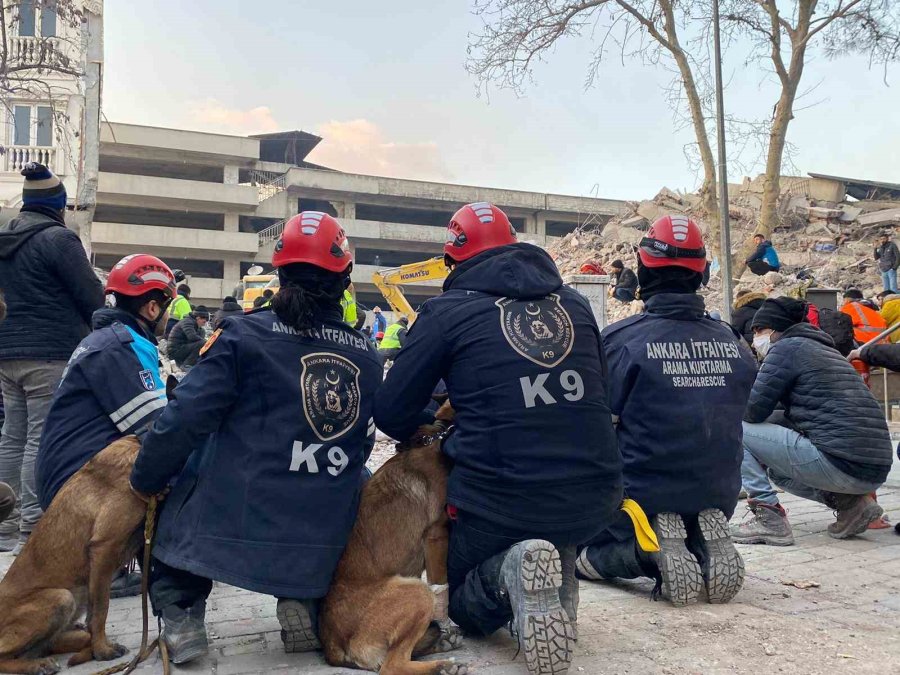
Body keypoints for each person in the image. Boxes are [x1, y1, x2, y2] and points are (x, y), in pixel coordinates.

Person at [374, 202, 624, 675]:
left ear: (453, 260)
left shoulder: (447, 312)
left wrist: (445, 415)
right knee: (553, 502)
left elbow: (391, 413)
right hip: (598, 495)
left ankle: (513, 570)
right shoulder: (575, 303)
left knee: (463, 596)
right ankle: (559, 557)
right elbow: (597, 393)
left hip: (504, 500)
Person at [129, 212, 382, 664]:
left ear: (280, 272)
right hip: (321, 536)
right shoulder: (365, 353)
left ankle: (183, 613)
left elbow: (184, 418)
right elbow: (361, 441)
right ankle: (303, 598)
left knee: (189, 466)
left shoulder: (242, 336)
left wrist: (146, 478)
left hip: (236, 520)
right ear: (345, 281)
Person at [576, 216, 757, 606]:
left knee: (577, 555)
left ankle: (649, 555)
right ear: (702, 274)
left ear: (642, 270)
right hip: (718, 492)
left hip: (640, 499)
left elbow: (592, 425)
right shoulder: (732, 340)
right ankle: (700, 544)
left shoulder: (621, 341)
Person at [35, 254, 176, 597]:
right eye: (168, 306)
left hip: (74, 479)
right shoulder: (119, 348)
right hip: (76, 491)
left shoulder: (111, 340)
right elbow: (158, 430)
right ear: (153, 308)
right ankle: (170, 580)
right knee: (178, 466)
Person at [0, 163, 104, 554]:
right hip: (49, 352)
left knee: (12, 435)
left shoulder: (3, 239)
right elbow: (90, 296)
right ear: (57, 205)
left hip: (6, 351)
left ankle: (3, 527)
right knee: (39, 438)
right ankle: (32, 526)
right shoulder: (59, 239)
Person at [730, 298, 893, 545]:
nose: (756, 338)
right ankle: (852, 506)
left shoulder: (785, 349)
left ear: (776, 329)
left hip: (842, 463)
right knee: (779, 473)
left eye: (760, 330)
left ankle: (768, 517)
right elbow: (788, 414)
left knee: (732, 428)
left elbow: (752, 413)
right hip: (874, 469)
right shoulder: (823, 349)